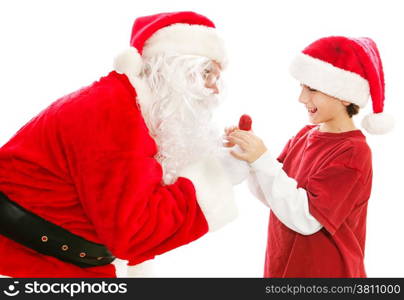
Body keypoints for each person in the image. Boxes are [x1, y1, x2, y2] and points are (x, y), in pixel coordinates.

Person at [0, 11, 248, 278]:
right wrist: (217, 174)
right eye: (207, 73)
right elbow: (136, 231)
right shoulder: (113, 111)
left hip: (59, 262)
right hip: (23, 262)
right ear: (170, 68)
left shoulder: (135, 110)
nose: (215, 89)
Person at [226, 36, 394, 277]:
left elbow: (306, 219)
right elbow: (273, 195)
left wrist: (261, 159)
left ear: (345, 95)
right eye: (301, 87)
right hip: (284, 269)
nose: (302, 98)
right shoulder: (305, 135)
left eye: (312, 89)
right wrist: (250, 156)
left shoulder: (353, 153)